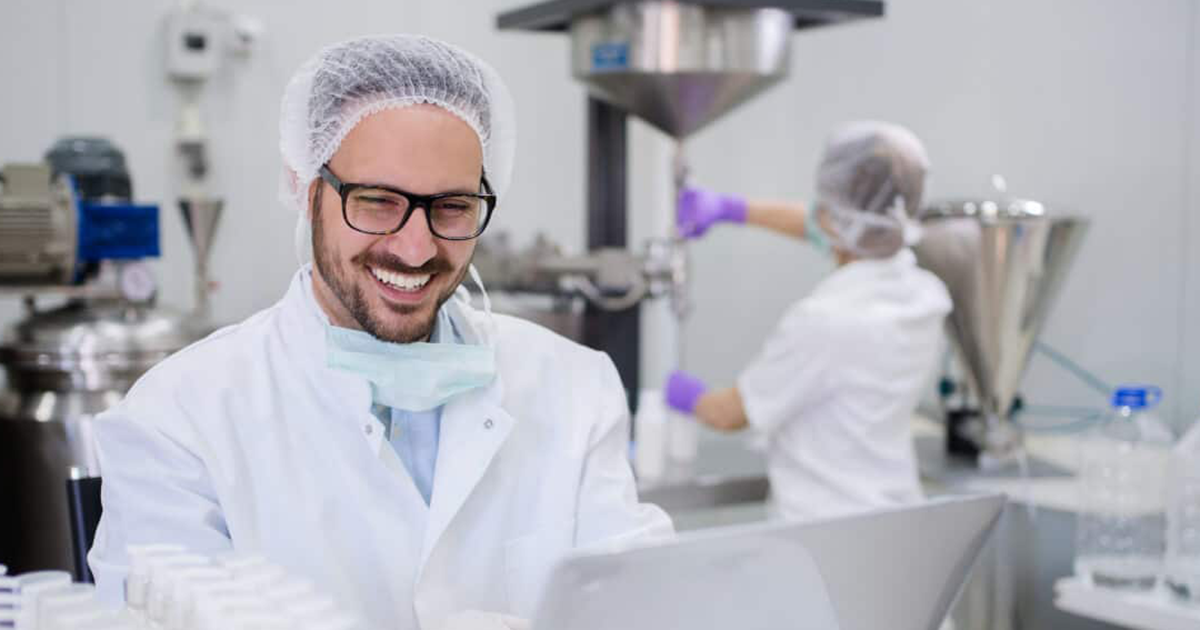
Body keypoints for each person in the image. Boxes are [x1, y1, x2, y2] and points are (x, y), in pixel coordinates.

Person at [88, 35, 672, 629]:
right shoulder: (179, 418)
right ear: (309, 191)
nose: (415, 248)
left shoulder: (574, 387)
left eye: (451, 207)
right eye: (377, 201)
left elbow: (640, 605)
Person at [665, 121, 951, 521]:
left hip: (827, 534)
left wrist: (680, 393)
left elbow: (727, 415)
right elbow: (841, 225)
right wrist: (733, 209)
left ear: (836, 218)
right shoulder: (926, 296)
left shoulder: (826, 322)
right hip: (896, 520)